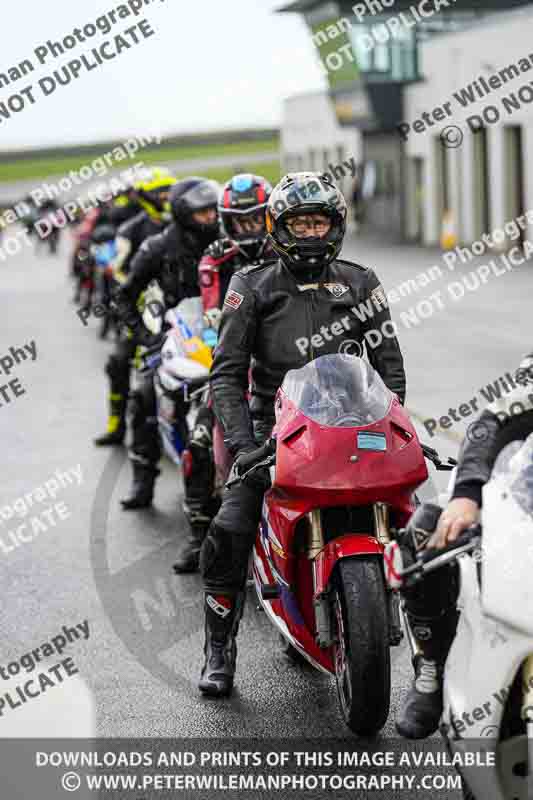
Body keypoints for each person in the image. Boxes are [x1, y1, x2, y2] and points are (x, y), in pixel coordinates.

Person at [197, 171, 407, 697]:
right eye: (300, 223)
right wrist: (246, 449)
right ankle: (219, 649)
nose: (311, 233)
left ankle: (427, 642)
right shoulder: (251, 285)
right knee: (229, 525)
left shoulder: (361, 282)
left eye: (320, 222)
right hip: (278, 430)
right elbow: (225, 375)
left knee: (419, 516)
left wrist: (390, 419)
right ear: (279, 227)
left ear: (335, 226)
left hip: (355, 423)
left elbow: (391, 370)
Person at [396, 351, 533, 739]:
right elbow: (491, 422)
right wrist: (467, 496)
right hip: (524, 499)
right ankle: (432, 668)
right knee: (427, 527)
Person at [173, 173, 276, 574]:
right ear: (226, 221)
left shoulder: (287, 249)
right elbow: (214, 316)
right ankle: (199, 533)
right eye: (240, 221)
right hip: (233, 363)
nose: (249, 229)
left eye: (256, 220)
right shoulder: (214, 257)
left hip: (284, 362)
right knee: (199, 442)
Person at [114, 176, 220, 510]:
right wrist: (148, 336)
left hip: (222, 329)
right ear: (184, 213)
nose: (212, 218)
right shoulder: (157, 248)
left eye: (214, 211)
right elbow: (123, 297)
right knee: (143, 393)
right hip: (173, 331)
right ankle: (142, 478)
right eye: (204, 213)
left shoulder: (225, 240)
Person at [93, 169, 176, 447]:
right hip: (144, 308)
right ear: (144, 196)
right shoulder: (130, 230)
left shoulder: (182, 223)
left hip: (182, 305)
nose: (165, 197)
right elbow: (117, 272)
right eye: (160, 192)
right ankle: (116, 423)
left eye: (169, 191)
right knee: (118, 361)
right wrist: (138, 290)